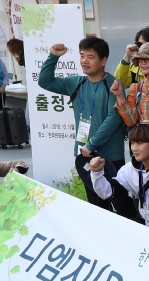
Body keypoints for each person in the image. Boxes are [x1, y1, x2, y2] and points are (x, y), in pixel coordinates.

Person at [39, 38, 125, 208]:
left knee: (118, 204)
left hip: (110, 156)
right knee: (95, 204)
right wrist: (53, 57)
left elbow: (114, 118)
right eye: (82, 55)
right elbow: (45, 81)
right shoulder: (76, 82)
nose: (84, 60)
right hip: (84, 154)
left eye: (90, 57)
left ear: (103, 60)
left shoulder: (113, 84)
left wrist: (92, 144)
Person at [88, 123, 149, 234]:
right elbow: (108, 193)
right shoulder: (129, 169)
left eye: (139, 143)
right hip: (145, 227)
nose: (134, 148)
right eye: (132, 143)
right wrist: (97, 173)